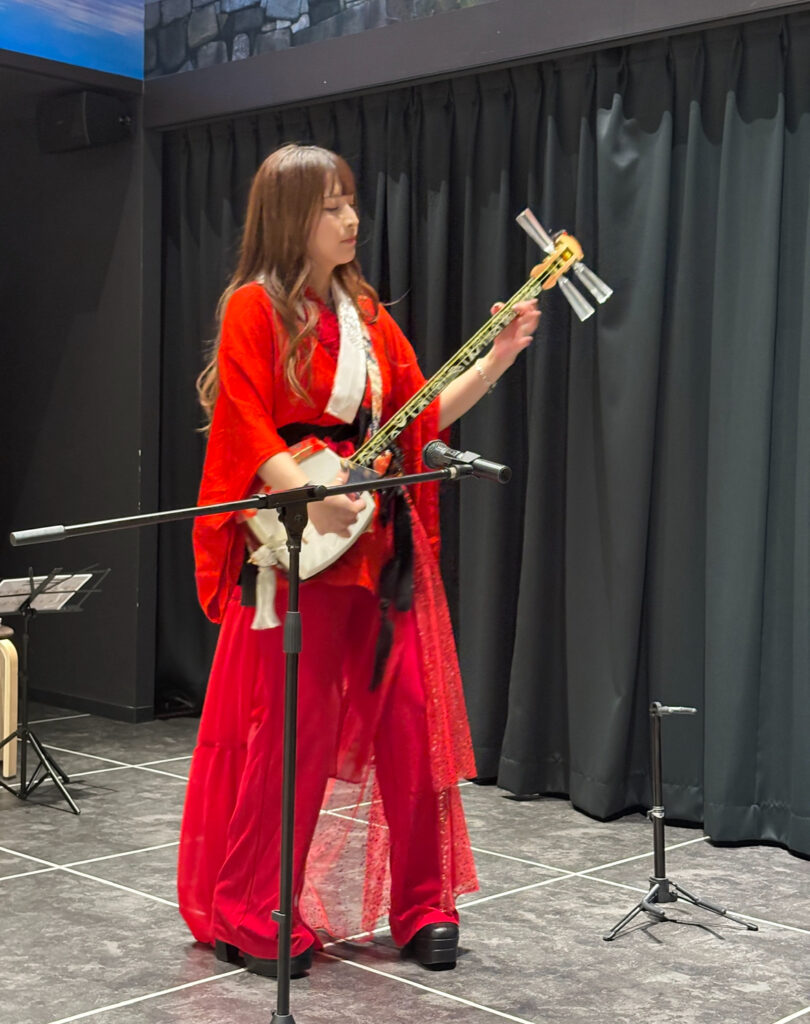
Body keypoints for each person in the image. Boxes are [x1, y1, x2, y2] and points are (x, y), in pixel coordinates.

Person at [177, 142, 539, 977]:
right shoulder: (252, 310)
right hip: (299, 552)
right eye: (332, 205)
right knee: (292, 739)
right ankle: (249, 909)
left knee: (414, 726)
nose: (351, 219)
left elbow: (419, 418)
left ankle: (422, 905)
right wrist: (302, 494)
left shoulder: (369, 316)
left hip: (380, 547)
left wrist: (498, 357)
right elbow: (243, 422)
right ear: (289, 218)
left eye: (351, 203)